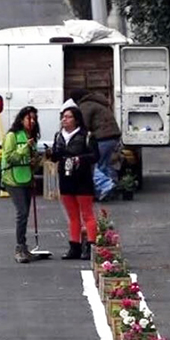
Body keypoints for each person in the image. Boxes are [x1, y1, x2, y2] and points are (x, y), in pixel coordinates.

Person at [48, 105, 99, 260]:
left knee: (86, 213)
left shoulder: (86, 136)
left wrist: (80, 159)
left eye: (68, 117)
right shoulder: (59, 136)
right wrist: (52, 154)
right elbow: (56, 156)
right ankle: (74, 246)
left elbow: (95, 156)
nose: (65, 119)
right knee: (72, 215)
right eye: (63, 117)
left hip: (82, 178)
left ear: (76, 120)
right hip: (66, 178)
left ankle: (90, 245)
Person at [1, 106, 40, 264]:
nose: (32, 122)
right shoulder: (12, 136)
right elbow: (10, 157)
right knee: (22, 212)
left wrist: (35, 161)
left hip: (26, 177)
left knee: (25, 214)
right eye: (29, 118)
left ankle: (24, 247)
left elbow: (34, 160)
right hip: (13, 179)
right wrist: (25, 149)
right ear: (21, 119)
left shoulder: (31, 136)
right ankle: (19, 247)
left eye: (34, 119)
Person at [70, 89, 120, 200]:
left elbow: (83, 125)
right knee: (106, 164)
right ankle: (110, 190)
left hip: (102, 138)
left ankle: (106, 186)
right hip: (113, 136)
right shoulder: (98, 102)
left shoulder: (86, 105)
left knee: (95, 164)